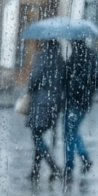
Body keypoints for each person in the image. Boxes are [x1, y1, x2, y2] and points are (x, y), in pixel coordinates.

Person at [62, 38, 98, 181]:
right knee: (73, 130)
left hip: (73, 101)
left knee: (69, 132)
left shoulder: (75, 59)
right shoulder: (93, 57)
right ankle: (84, 158)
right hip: (84, 103)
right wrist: (89, 93)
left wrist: (74, 87)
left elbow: (65, 78)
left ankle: (69, 166)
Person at [26, 39, 65, 183]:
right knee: (39, 136)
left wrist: (30, 89)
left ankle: (53, 166)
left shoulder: (41, 57)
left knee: (36, 136)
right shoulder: (61, 60)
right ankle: (35, 170)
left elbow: (35, 79)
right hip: (54, 103)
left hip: (41, 103)